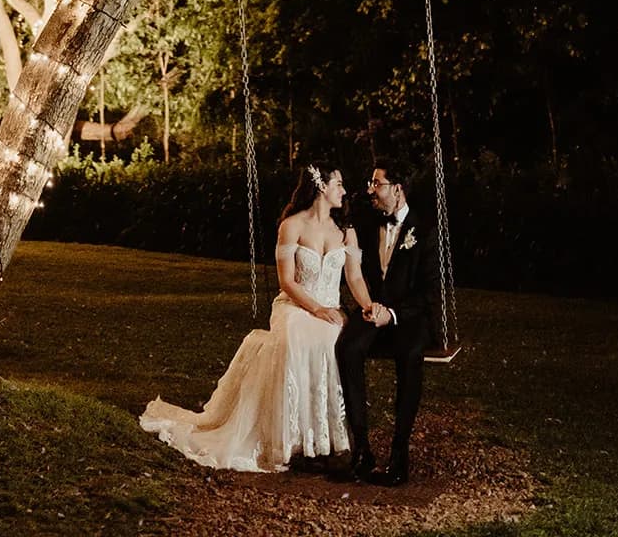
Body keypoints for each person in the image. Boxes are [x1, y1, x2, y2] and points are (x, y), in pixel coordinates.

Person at [139, 161, 371, 473]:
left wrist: (368, 306)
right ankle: (289, 441)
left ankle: (324, 441)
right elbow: (287, 281)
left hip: (330, 309)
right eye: (339, 184)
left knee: (332, 338)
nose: (344, 191)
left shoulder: (346, 232)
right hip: (295, 305)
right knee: (296, 338)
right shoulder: (292, 226)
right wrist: (315, 308)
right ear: (321, 187)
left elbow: (355, 278)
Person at [336, 159, 440, 486]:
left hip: (408, 318)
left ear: (397, 189)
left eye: (376, 184)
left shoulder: (424, 232)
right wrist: (370, 307)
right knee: (348, 347)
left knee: (410, 356)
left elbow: (427, 294)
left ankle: (399, 454)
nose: (370, 190)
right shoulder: (367, 224)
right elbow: (356, 271)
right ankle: (363, 449)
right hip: (372, 310)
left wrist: (391, 314)